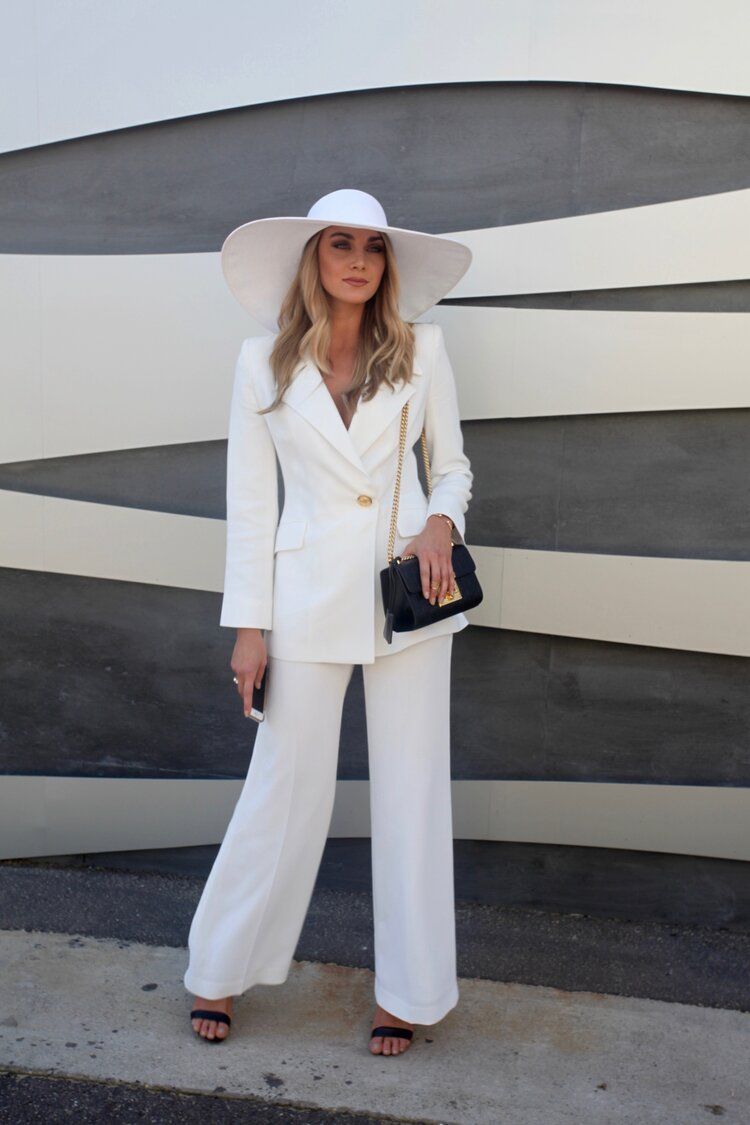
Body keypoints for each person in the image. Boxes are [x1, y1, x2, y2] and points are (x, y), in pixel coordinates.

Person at [184, 188, 474, 1056]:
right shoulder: (261, 364)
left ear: (387, 264)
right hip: (305, 594)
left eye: (373, 247)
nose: (358, 260)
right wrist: (249, 627)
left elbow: (452, 466)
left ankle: (408, 993)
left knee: (413, 792)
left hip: (410, 592)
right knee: (282, 786)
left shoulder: (423, 348)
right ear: (314, 259)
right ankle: (218, 968)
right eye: (340, 244)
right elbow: (250, 503)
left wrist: (441, 521)